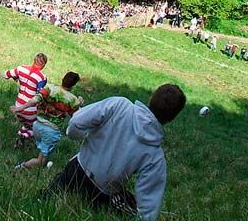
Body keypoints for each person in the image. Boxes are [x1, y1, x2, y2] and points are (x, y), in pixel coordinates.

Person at [44, 84, 186, 221]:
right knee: (130, 207)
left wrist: (74, 135)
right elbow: (149, 201)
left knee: (45, 198)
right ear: (172, 118)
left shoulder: (119, 105)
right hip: (102, 194)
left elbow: (76, 122)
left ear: (151, 98)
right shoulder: (155, 154)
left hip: (75, 171)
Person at [13, 71, 83, 170]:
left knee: (45, 152)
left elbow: (35, 100)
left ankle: (43, 162)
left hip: (37, 126)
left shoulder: (49, 88)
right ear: (73, 85)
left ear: (62, 79)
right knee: (40, 161)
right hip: (51, 132)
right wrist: (79, 104)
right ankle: (19, 168)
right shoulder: (73, 100)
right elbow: (78, 117)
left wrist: (20, 108)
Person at [3, 53, 48, 145]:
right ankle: (24, 137)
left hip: (18, 105)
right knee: (34, 128)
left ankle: (18, 140)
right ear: (43, 65)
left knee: (25, 125)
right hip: (30, 108)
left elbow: (6, 75)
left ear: (34, 60)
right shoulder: (42, 77)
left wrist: (15, 77)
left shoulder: (21, 68)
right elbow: (39, 95)